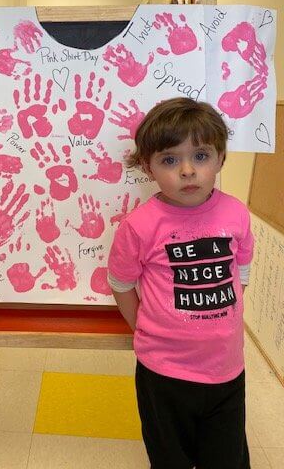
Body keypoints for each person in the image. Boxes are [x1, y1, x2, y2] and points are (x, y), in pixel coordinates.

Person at [108, 97, 253, 469]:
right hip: (163, 373)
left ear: (221, 158)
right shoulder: (139, 225)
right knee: (169, 459)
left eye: (201, 156)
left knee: (226, 457)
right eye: (170, 160)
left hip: (226, 369)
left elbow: (241, 273)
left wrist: (223, 324)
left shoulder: (236, 212)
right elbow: (121, 283)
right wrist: (141, 326)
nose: (187, 170)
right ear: (148, 166)